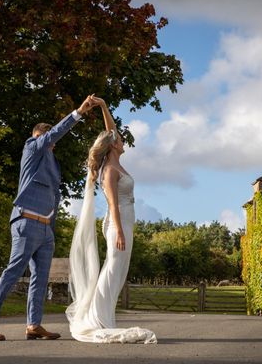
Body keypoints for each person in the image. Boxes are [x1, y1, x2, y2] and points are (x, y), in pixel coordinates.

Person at [0, 95, 98, 341]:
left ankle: (33, 325)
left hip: (45, 229)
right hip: (26, 221)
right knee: (13, 271)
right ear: (42, 138)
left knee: (40, 279)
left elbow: (53, 197)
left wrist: (51, 230)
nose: (52, 144)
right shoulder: (31, 148)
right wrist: (78, 113)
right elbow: (53, 134)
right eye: (49, 140)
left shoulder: (53, 162)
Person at [66, 97, 157, 344]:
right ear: (113, 146)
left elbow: (110, 130)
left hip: (126, 222)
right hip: (117, 224)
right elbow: (113, 205)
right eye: (119, 139)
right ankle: (98, 320)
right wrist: (118, 231)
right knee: (112, 268)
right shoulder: (109, 171)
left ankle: (105, 316)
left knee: (118, 271)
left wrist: (105, 106)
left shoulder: (117, 162)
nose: (122, 139)